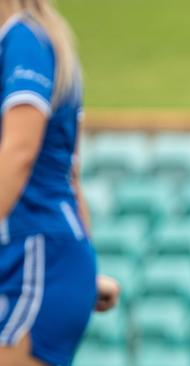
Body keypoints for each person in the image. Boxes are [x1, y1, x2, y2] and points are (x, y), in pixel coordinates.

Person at [0, 2, 119, 365]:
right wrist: (86, 275)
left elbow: (21, 152)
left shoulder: (24, 39)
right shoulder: (35, 38)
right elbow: (69, 177)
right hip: (38, 257)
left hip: (35, 259)